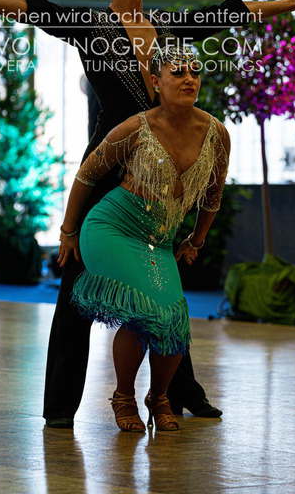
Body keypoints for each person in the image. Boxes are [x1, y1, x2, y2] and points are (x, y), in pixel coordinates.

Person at [0, 0, 295, 429]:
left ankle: (178, 392)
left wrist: (288, 5)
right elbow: (33, 9)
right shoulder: (92, 26)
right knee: (74, 285)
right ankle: (60, 405)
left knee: (164, 288)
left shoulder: (165, 26)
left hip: (161, 171)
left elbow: (228, 13)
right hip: (109, 166)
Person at [58, 33, 229, 432]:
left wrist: (196, 240)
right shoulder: (136, 127)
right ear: (156, 82)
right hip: (112, 228)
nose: (189, 78)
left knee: (174, 321)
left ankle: (160, 396)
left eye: (195, 72)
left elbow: (212, 197)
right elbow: (87, 175)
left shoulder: (216, 133)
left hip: (160, 240)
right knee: (142, 311)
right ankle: (123, 397)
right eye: (178, 72)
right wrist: (68, 231)